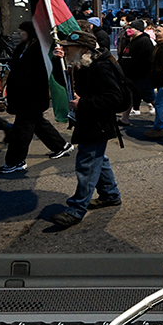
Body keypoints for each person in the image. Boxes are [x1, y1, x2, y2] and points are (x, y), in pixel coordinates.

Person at [49, 30, 124, 226]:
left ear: (83, 48)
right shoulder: (83, 63)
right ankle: (110, 195)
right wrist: (58, 62)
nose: (65, 49)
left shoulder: (100, 67)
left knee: (87, 165)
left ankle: (76, 209)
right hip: (89, 121)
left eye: (69, 47)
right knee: (99, 159)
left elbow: (115, 97)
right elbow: (64, 82)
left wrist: (83, 104)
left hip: (97, 123)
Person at [0, 22, 72, 175]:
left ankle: (15, 161)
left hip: (32, 95)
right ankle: (60, 146)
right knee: (37, 123)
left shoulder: (40, 49)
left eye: (22, 31)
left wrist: (58, 57)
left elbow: (49, 69)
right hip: (22, 95)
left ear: (30, 32)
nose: (19, 34)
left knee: (21, 129)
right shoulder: (22, 47)